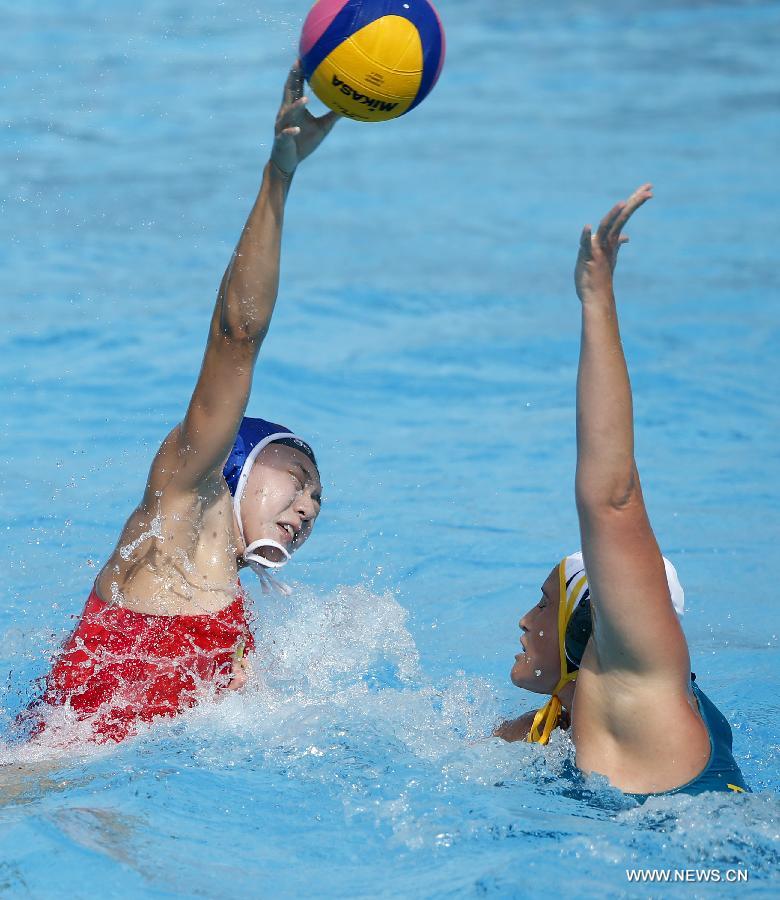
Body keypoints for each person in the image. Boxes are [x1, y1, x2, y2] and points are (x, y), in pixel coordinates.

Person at [22, 63, 338, 745]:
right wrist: (278, 177)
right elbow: (237, 339)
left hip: (100, 799)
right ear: (236, 464)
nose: (309, 506)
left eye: (319, 500)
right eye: (299, 479)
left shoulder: (240, 625)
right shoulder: (176, 513)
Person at [495, 185, 750, 797]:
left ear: (592, 628)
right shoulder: (545, 732)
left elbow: (612, 498)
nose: (524, 622)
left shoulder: (639, 683)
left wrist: (596, 300)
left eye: (543, 603)